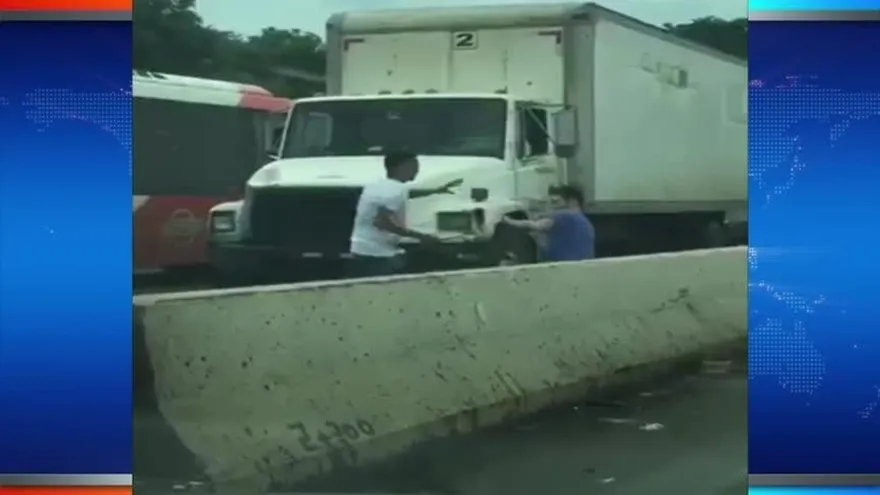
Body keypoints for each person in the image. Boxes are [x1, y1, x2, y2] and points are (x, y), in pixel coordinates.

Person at [348, 150, 463, 277]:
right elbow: (382, 222)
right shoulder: (396, 190)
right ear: (402, 167)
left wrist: (436, 191)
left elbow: (404, 195)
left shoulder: (377, 185)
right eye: (414, 166)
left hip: (360, 248)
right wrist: (422, 236)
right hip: (379, 254)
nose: (416, 171)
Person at [501, 184, 595, 262]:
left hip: (561, 267)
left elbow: (536, 226)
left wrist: (509, 221)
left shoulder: (563, 216)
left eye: (555, 202)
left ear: (571, 201)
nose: (551, 206)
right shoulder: (584, 221)